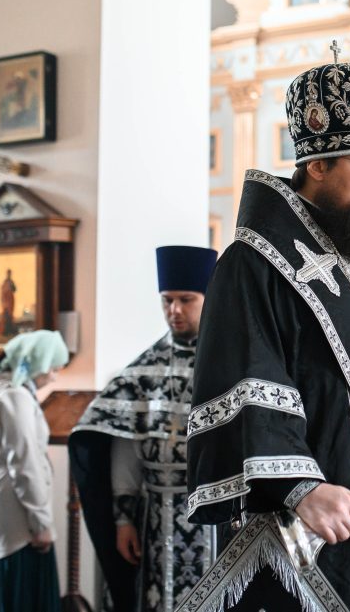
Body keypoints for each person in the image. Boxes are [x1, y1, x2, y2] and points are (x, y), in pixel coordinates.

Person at [179, 57, 350, 612]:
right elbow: (248, 388)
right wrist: (301, 488)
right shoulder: (253, 263)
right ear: (318, 165)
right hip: (306, 538)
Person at [70, 245, 217, 612]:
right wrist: (123, 519)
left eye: (186, 300)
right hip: (155, 516)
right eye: (167, 300)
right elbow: (124, 448)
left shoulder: (228, 366)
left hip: (214, 517)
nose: (175, 311)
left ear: (208, 298)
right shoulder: (142, 370)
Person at [0, 330, 69, 612]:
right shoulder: (15, 397)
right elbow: (25, 464)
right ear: (37, 363)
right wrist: (41, 523)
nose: (55, 376)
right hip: (16, 512)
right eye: (54, 367)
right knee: (21, 592)